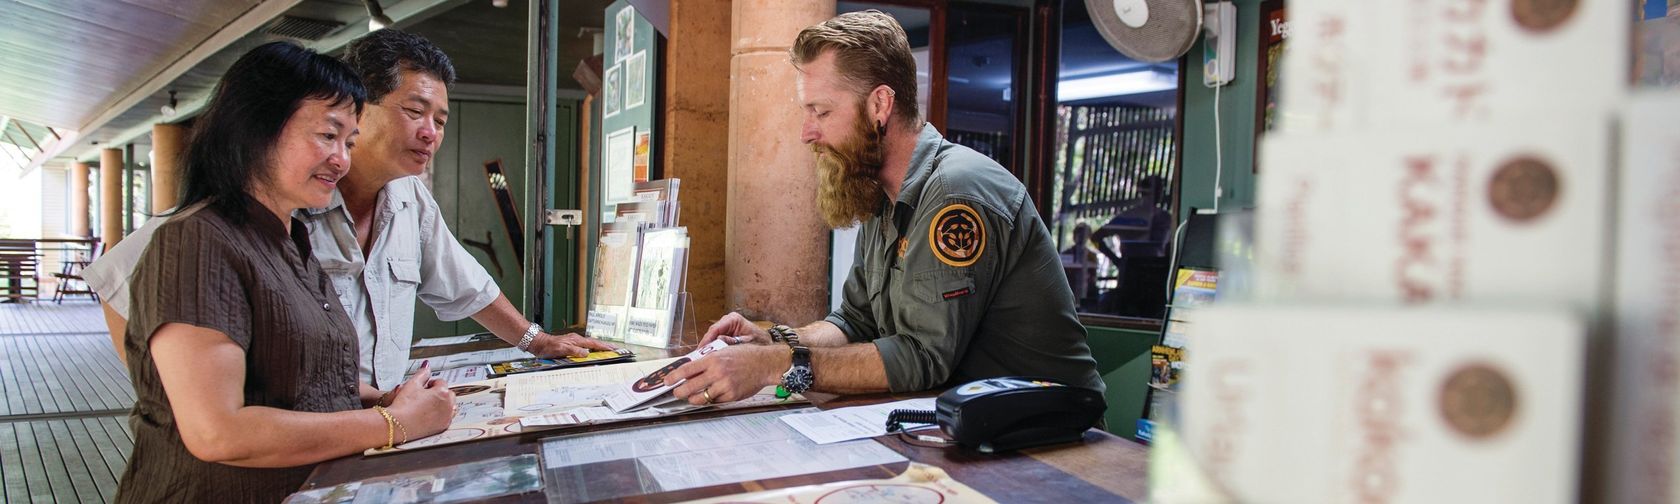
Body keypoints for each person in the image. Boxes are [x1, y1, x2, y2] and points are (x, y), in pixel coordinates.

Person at [85, 29, 613, 392]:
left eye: (442, 119)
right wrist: (172, 394)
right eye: (414, 111)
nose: (430, 132)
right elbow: (119, 280)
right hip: (287, 441)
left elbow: (469, 287)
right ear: (358, 106)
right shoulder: (272, 201)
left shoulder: (410, 199)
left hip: (370, 423)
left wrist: (537, 340)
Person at [659, 11, 1105, 406]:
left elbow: (923, 357)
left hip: (1047, 433)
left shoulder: (955, 193)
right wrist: (771, 341)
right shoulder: (879, 192)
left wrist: (772, 365)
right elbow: (853, 320)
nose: (806, 133)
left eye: (822, 111)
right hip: (964, 420)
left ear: (879, 105)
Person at [114, 41, 454, 503]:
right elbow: (218, 432)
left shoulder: (289, 239)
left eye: (348, 142)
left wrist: (382, 399)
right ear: (257, 128)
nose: (342, 159)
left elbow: (297, 367)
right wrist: (394, 424)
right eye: (327, 136)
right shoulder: (196, 240)